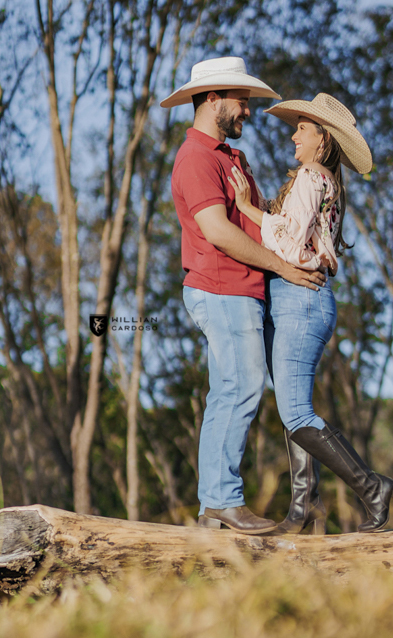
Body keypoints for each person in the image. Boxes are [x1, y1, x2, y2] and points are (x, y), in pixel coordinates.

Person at [229, 93, 393, 533]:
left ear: (323, 139)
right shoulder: (324, 181)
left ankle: (372, 488)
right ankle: (303, 508)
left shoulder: (311, 176)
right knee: (294, 409)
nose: (294, 136)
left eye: (303, 129)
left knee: (297, 413)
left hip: (300, 299)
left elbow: (290, 246)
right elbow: (296, 234)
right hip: (301, 300)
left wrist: (248, 209)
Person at [161, 57, 326, 535]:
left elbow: (256, 220)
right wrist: (283, 267)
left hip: (243, 291)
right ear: (213, 99)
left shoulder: (231, 157)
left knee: (236, 387)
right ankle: (220, 501)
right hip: (222, 288)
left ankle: (216, 512)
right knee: (239, 387)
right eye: (243, 101)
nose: (248, 111)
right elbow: (217, 230)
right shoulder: (196, 158)